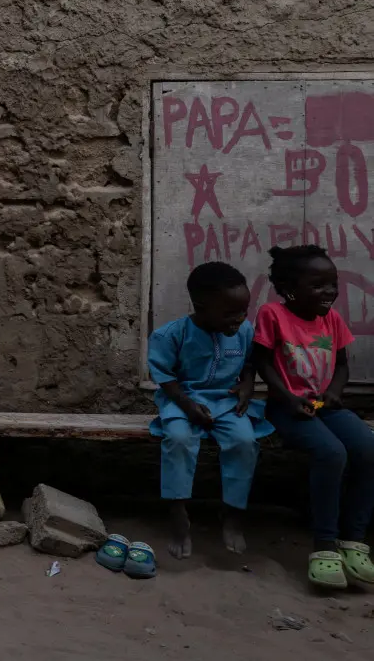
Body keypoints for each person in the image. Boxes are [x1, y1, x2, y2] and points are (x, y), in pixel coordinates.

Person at [251, 244, 374, 590]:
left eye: (332, 284)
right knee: (331, 453)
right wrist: (287, 397)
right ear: (290, 289)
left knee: (367, 449)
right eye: (318, 285)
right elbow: (260, 361)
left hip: (324, 405)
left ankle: (353, 542)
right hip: (288, 407)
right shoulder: (272, 315)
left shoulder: (331, 319)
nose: (329, 292)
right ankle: (324, 547)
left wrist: (334, 391)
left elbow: (343, 364)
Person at [147, 261, 271, 560]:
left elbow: (252, 361)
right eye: (230, 313)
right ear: (201, 307)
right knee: (177, 439)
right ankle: (177, 512)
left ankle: (233, 514)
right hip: (183, 400)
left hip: (227, 402)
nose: (239, 319)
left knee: (244, 442)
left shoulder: (243, 330)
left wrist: (247, 383)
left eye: (244, 311)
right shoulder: (171, 335)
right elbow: (164, 376)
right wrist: (187, 405)